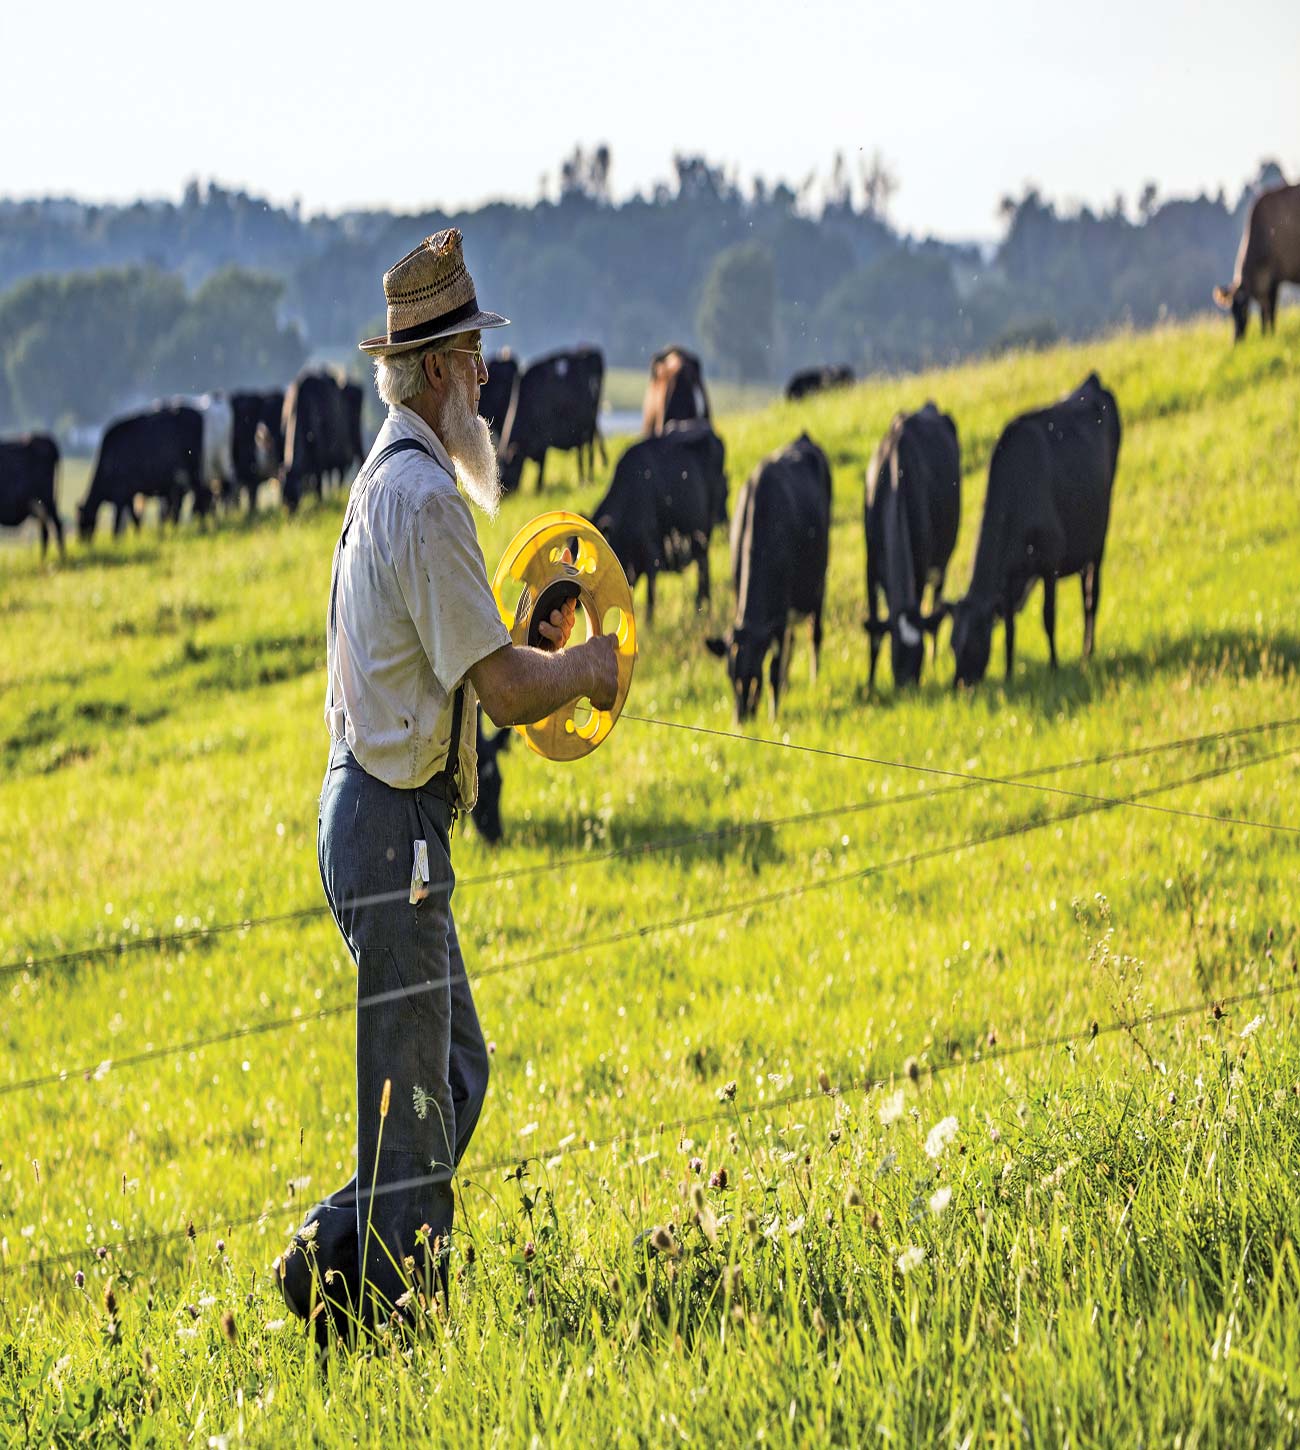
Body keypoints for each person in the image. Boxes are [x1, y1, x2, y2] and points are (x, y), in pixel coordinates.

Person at [277, 230, 618, 1341]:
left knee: (451, 1071)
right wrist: (587, 667)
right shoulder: (425, 501)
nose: (484, 375)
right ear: (434, 371)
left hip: (372, 812)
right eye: (471, 356)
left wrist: (528, 646)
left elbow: (462, 663)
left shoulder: (393, 477)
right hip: (393, 829)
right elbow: (514, 694)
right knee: (417, 1112)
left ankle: (335, 1253)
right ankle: (394, 1335)